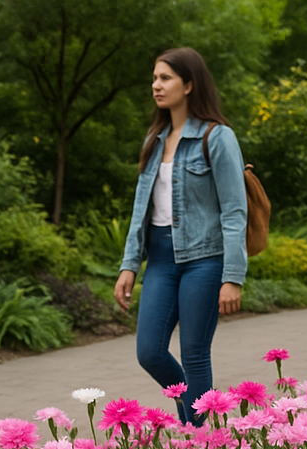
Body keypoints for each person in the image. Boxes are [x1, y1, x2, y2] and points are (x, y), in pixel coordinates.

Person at [115, 47, 247, 425]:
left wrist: (232, 276)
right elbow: (141, 209)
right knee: (150, 352)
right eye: (154, 78)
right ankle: (200, 410)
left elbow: (235, 211)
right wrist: (129, 265)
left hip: (205, 260)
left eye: (165, 78)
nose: (156, 85)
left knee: (193, 352)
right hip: (159, 259)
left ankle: (197, 438)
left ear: (189, 84)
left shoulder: (217, 138)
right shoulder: (154, 140)